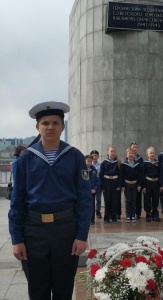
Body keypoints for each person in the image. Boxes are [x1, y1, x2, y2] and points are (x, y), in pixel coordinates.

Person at [8, 101, 92, 300]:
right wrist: (16, 239)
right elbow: (16, 203)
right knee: (38, 288)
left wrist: (82, 235)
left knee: (63, 287)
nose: (50, 127)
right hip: (33, 231)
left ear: (63, 126)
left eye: (55, 123)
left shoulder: (75, 157)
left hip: (66, 230)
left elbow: (84, 199)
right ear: (37, 127)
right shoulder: (25, 160)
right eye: (45, 123)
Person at [100, 145, 121, 224]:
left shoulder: (118, 163)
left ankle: (114, 217)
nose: (113, 153)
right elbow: (101, 175)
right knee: (107, 201)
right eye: (111, 151)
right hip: (107, 183)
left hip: (115, 183)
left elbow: (120, 175)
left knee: (115, 201)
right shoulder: (103, 163)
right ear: (108, 152)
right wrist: (102, 186)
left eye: (114, 151)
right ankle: (106, 217)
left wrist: (119, 185)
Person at [121, 148, 142, 223]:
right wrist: (122, 186)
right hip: (127, 184)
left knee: (133, 200)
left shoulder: (137, 165)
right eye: (129, 153)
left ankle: (133, 215)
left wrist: (139, 185)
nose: (131, 155)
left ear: (134, 155)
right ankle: (128, 216)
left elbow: (140, 176)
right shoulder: (123, 165)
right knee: (128, 200)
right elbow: (122, 176)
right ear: (126, 155)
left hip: (135, 184)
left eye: (132, 153)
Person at [142, 147, 161, 222]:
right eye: (150, 153)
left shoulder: (158, 163)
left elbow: (160, 174)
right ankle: (148, 214)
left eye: (153, 153)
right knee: (147, 199)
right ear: (147, 154)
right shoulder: (144, 163)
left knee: (155, 199)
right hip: (148, 183)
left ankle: (155, 214)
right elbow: (142, 175)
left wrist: (160, 184)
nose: (152, 154)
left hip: (156, 183)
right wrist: (144, 186)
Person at [129, 141, 144, 219]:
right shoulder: (128, 157)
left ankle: (138, 213)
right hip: (130, 181)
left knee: (138, 197)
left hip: (138, 180)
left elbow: (142, 170)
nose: (134, 149)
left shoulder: (140, 158)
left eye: (136, 147)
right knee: (131, 198)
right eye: (133, 147)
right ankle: (131, 212)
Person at [85, 155, 100, 225]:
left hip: (92, 192)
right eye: (88, 161)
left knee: (92, 206)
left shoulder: (94, 170)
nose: (89, 163)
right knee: (84, 205)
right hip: (84, 192)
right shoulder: (82, 170)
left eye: (91, 161)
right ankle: (85, 219)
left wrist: (94, 189)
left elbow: (98, 181)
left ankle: (92, 219)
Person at [90, 150, 102, 219]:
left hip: (98, 185)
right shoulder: (88, 165)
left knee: (98, 199)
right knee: (91, 200)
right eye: (93, 155)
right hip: (91, 185)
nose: (94, 157)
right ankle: (91, 213)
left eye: (96, 155)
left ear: (98, 156)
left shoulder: (100, 165)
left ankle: (98, 211)